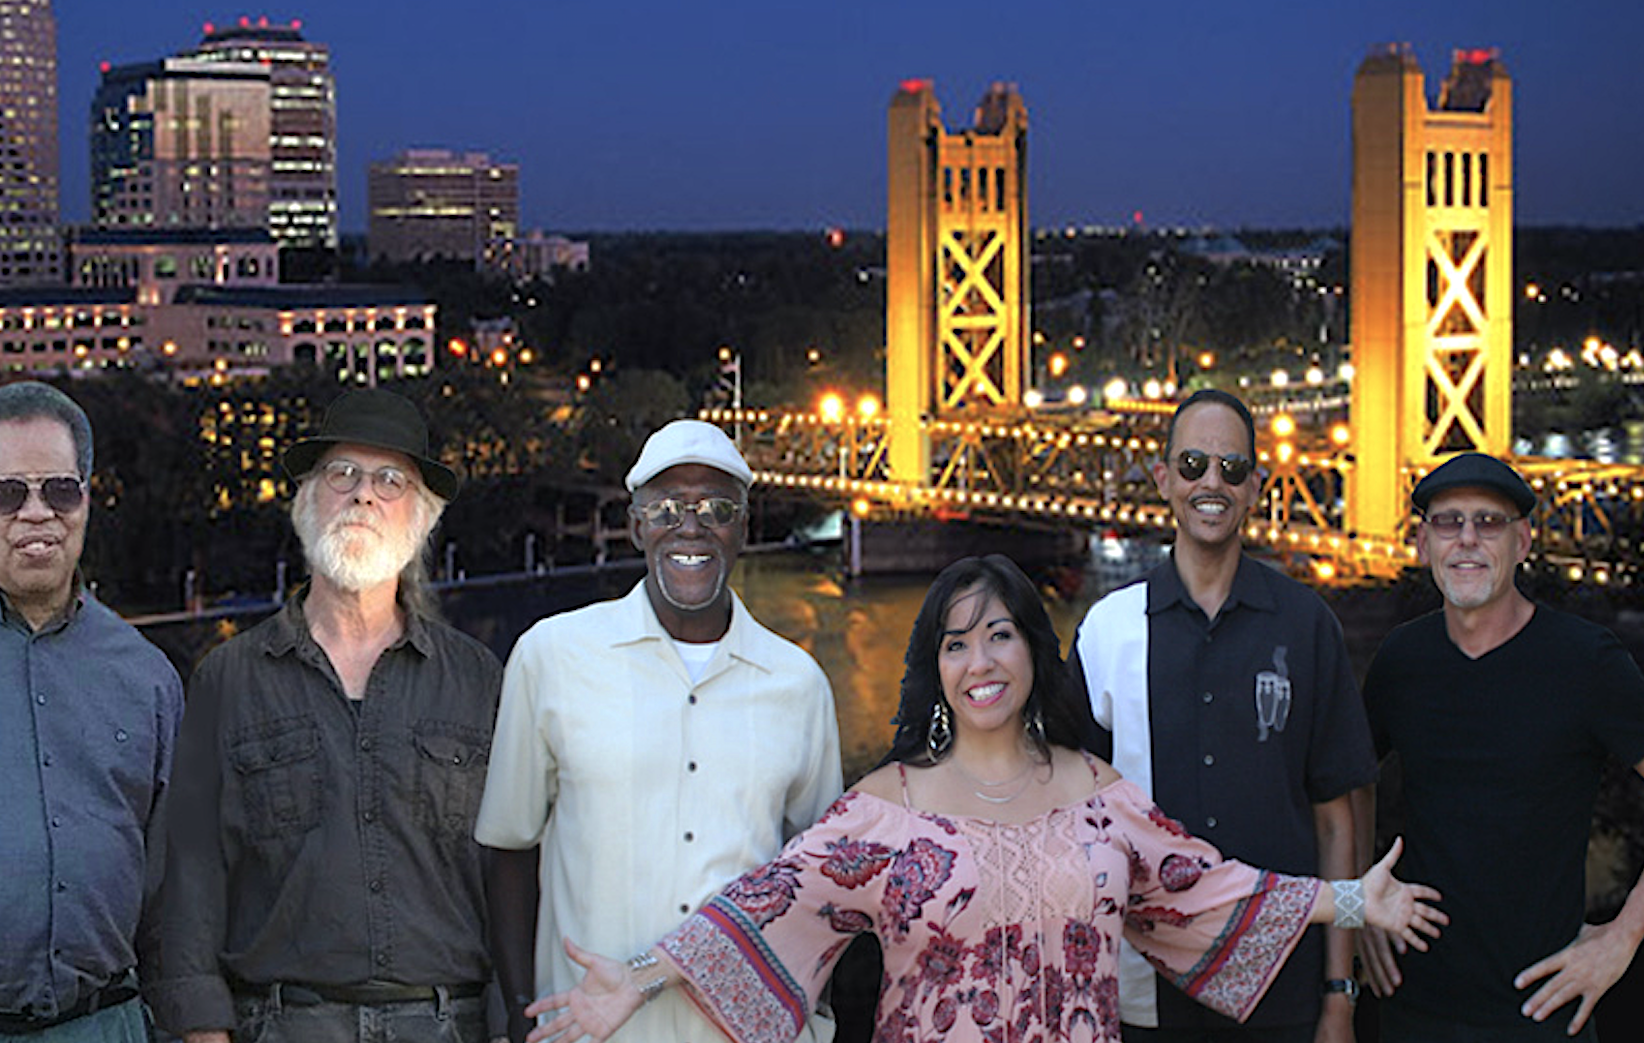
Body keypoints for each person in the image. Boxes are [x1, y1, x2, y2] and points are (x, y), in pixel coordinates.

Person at [520, 555, 1447, 1043]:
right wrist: (634, 981)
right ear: (936, 668)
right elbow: (763, 906)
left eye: (1000, 635)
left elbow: (1206, 887)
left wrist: (1361, 898)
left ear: (1035, 653)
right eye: (956, 644)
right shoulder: (884, 809)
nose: (980, 661)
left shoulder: (1098, 793)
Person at [152, 388, 507, 1043]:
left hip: (447, 1025)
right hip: (283, 1024)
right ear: (306, 500)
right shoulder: (228, 679)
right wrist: (202, 1030)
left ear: (422, 519)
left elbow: (510, 877)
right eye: (341, 474)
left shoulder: (478, 678)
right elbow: (189, 880)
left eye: (390, 480)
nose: (363, 496)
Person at [475, 419, 843, 1043]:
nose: (691, 528)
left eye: (717, 510)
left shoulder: (799, 683)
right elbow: (508, 847)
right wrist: (518, 1013)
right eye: (667, 508)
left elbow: (820, 885)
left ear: (745, 530)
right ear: (636, 523)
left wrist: (817, 1018)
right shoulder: (551, 656)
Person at [1063, 388, 1377, 1043]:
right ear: (1162, 480)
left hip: (1285, 984)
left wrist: (1339, 998)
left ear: (1257, 486)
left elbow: (1334, 821)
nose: (1212, 482)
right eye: (1193, 465)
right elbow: (1067, 823)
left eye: (1232, 469)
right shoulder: (1109, 629)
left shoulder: (1307, 624)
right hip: (1142, 986)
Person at [0, 381, 183, 1040]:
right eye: (8, 493)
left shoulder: (148, 676)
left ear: (87, 499)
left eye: (60, 489)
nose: (36, 512)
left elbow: (174, 891)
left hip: (105, 1024)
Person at [1355, 452, 1644, 1040]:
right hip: (1414, 1009)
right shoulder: (1401, 660)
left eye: (1489, 522)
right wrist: (1358, 903)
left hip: (1542, 1013)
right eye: (1447, 522)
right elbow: (1347, 783)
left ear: (1524, 541)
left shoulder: (1588, 662)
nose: (1466, 539)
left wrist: (1624, 936)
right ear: (1420, 543)